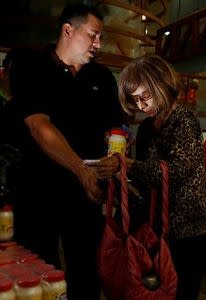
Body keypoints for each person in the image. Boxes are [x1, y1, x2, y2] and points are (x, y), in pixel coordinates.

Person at [13, 4, 123, 299]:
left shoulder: (102, 78)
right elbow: (38, 125)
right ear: (67, 30)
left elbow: (115, 131)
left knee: (86, 273)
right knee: (37, 275)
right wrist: (81, 169)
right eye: (93, 35)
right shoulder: (30, 65)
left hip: (86, 197)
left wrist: (115, 159)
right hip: (37, 192)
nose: (98, 44)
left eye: (101, 37)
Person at [93, 54, 206, 300]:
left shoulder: (184, 120)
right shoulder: (146, 127)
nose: (141, 106)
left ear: (161, 84)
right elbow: (144, 177)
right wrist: (118, 166)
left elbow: (175, 171)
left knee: (180, 289)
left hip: (185, 226)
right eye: (135, 100)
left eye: (145, 96)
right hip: (153, 223)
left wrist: (128, 164)